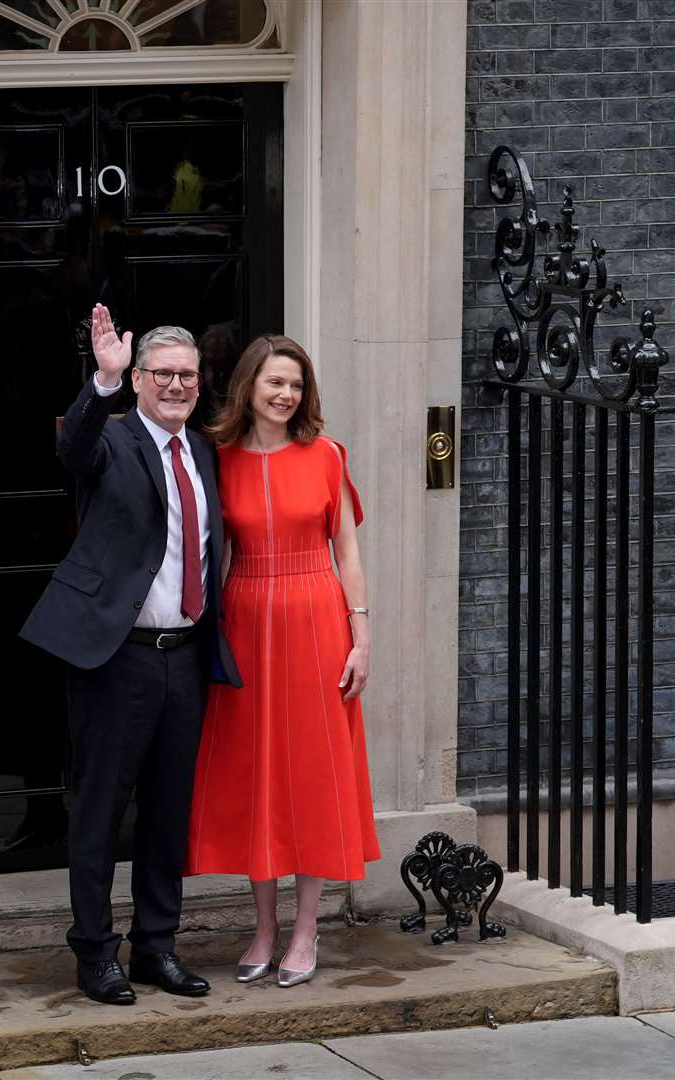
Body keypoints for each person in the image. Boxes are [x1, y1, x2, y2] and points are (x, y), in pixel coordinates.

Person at [20, 305, 242, 1006]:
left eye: (187, 376)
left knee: (166, 811)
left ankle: (155, 946)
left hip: (184, 654)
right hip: (116, 656)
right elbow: (72, 448)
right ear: (141, 380)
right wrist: (103, 380)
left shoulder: (203, 451)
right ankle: (94, 952)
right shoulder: (111, 440)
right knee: (99, 808)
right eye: (162, 375)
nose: (176, 386)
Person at [185, 334, 380, 987]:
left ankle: (305, 930)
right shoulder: (217, 458)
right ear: (248, 386)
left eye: (295, 384)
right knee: (256, 776)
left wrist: (360, 635)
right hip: (245, 619)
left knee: (310, 775)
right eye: (274, 382)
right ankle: (262, 928)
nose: (285, 394)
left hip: (316, 619)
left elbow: (346, 551)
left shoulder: (326, 454)